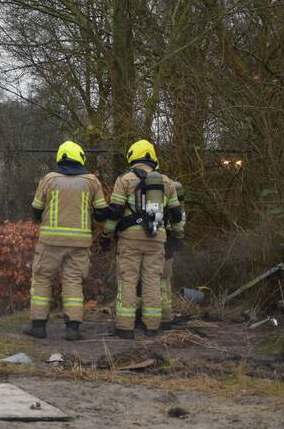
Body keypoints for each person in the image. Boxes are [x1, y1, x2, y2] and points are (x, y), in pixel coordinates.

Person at [25, 141, 109, 341]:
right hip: (79, 243)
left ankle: (38, 327)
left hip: (50, 242)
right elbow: (101, 214)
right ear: (80, 157)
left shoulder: (49, 179)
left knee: (42, 279)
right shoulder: (91, 181)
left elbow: (36, 210)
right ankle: (72, 329)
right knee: (73, 282)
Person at [102, 140, 184, 339]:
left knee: (128, 281)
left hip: (129, 238)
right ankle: (152, 327)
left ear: (132, 156)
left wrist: (106, 235)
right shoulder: (167, 182)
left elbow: (115, 212)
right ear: (153, 157)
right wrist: (178, 236)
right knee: (152, 281)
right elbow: (176, 215)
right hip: (157, 238)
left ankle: (125, 328)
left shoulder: (124, 180)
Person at [161, 180, 186, 329]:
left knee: (157, 280)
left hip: (161, 243)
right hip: (167, 244)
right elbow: (179, 229)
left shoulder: (161, 200)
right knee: (164, 281)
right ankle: (165, 315)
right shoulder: (178, 208)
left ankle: (161, 315)